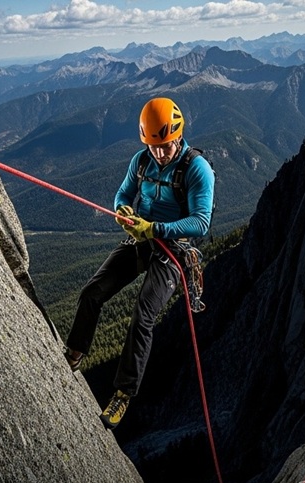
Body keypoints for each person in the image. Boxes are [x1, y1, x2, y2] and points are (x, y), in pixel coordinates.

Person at [63, 97, 215, 429]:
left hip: (173, 251)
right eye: (152, 146)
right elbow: (123, 194)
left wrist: (155, 228)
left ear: (178, 135)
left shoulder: (196, 168)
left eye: (164, 146)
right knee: (92, 292)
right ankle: (74, 353)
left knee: (143, 316)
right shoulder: (141, 160)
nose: (158, 153)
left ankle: (123, 394)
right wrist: (123, 211)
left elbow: (201, 222)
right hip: (141, 239)